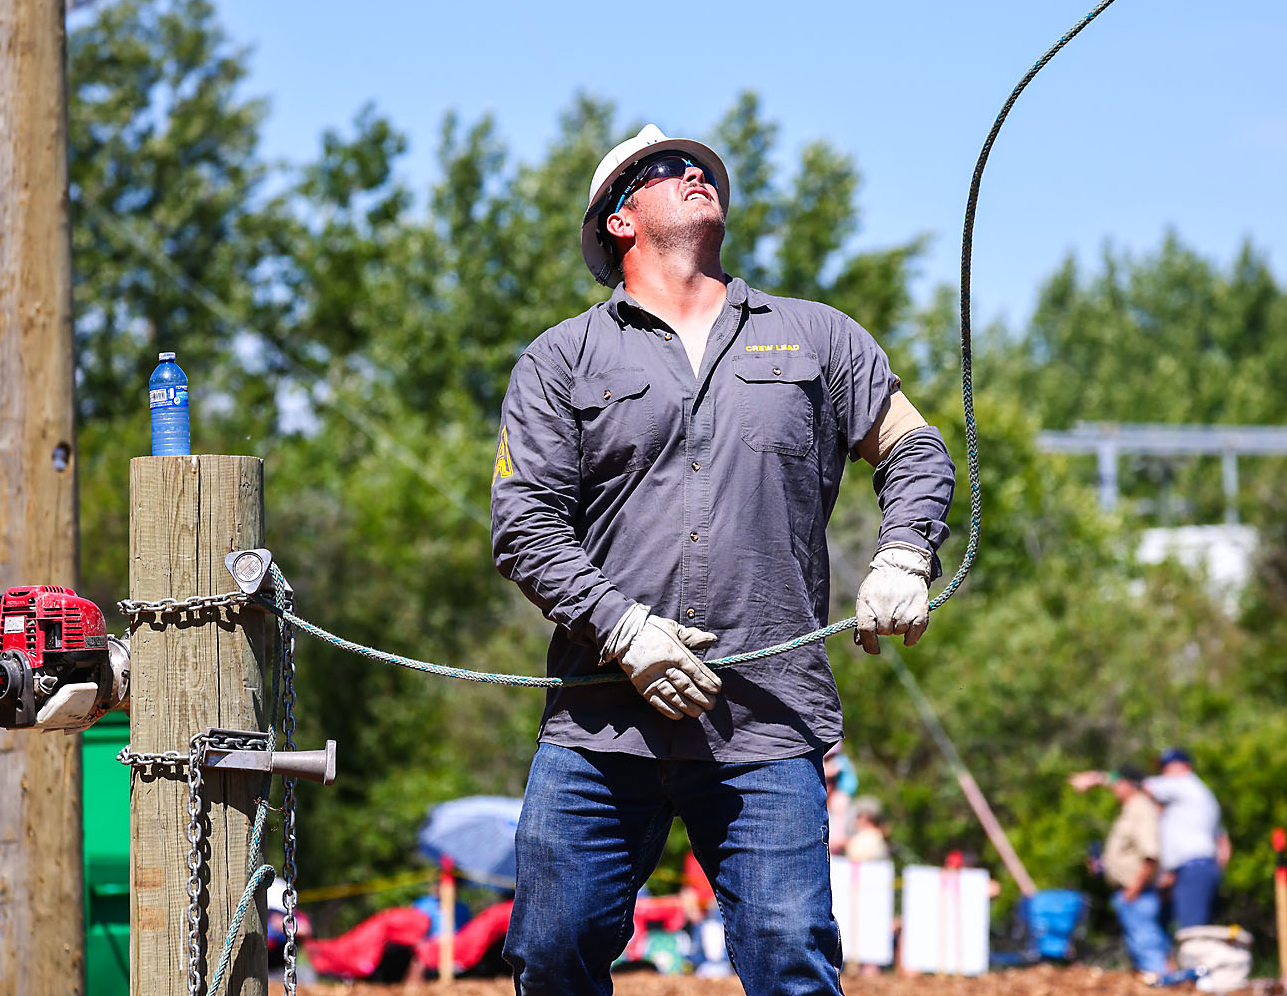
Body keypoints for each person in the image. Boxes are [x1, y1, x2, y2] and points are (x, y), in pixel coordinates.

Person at [490, 123, 956, 995]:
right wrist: (622, 627)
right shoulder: (560, 359)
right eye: (666, 168)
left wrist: (903, 553)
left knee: (790, 961)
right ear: (617, 221)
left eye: (702, 166)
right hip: (600, 725)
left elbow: (915, 448)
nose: (695, 172)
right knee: (552, 955)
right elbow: (524, 525)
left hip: (768, 722)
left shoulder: (817, 336)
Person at [1067, 764, 1171, 978]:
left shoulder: (1141, 808)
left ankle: (1164, 987)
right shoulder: (1131, 808)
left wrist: (1134, 888)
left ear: (1128, 784)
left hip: (1137, 892)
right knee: (1142, 950)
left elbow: (1150, 854)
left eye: (1118, 783)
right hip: (1131, 892)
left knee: (1148, 949)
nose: (1114, 787)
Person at [1144, 746, 1230, 929]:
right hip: (1199, 869)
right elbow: (1224, 845)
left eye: (1168, 765)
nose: (1164, 771)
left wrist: (1100, 778)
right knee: (1194, 934)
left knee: (1192, 936)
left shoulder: (1185, 784)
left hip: (1192, 869)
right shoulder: (1203, 797)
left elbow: (1141, 785)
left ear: (1185, 766)